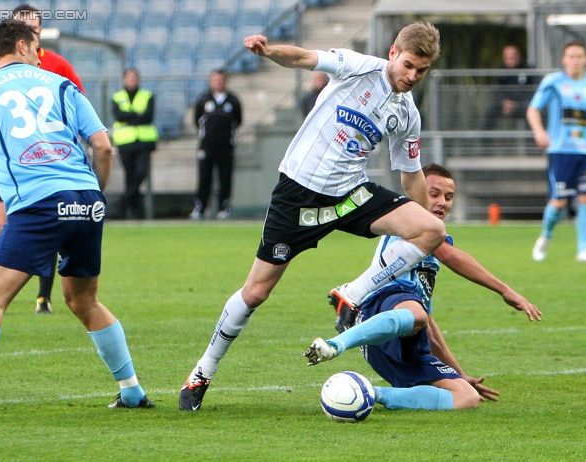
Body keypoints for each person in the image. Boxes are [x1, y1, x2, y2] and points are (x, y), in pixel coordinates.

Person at [179, 22, 448, 411]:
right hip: (298, 193)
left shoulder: (407, 113)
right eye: (408, 65)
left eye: (421, 71)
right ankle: (202, 372)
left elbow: (410, 174)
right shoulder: (358, 67)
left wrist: (426, 224)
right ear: (393, 52)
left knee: (431, 230)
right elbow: (304, 57)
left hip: (350, 195)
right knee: (255, 292)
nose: (412, 76)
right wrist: (269, 52)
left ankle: (351, 295)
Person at [0, 20, 154, 417]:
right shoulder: (60, 84)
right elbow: (103, 147)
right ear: (23, 46)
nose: (39, 52)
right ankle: (131, 391)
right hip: (85, 201)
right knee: (83, 300)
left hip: (37, 205)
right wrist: (92, 195)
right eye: (36, 45)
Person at [304, 164, 542, 411]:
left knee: (466, 397)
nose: (442, 202)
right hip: (380, 305)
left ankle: (369, 393)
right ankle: (336, 344)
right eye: (434, 193)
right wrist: (505, 290)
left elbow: (427, 324)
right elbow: (450, 256)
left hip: (396, 333)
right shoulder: (413, 224)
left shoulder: (426, 268)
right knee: (416, 313)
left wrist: (459, 374)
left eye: (449, 197)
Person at [0, 3, 87, 314]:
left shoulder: (58, 66)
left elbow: (80, 106)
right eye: (24, 29)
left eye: (34, 29)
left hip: (48, 165)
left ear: (40, 31)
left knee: (51, 224)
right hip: (8, 161)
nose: (30, 35)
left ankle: (43, 297)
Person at [528, 39, 586, 263]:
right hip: (561, 151)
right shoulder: (553, 82)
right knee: (560, 200)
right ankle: (545, 236)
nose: (575, 60)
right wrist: (539, 132)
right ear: (564, 60)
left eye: (579, 56)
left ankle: (584, 248)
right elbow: (534, 109)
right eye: (571, 56)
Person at [190, 69, 242, 220]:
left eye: (221, 79)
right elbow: (196, 120)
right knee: (204, 177)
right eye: (216, 80)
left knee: (225, 178)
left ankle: (224, 208)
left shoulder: (232, 100)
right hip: (207, 145)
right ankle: (200, 208)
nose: (219, 82)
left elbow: (238, 120)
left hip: (226, 146)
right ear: (211, 82)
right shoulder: (204, 99)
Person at [111, 68, 159, 219]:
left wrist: (129, 116)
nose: (131, 80)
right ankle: (136, 213)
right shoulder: (117, 97)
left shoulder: (147, 96)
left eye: (134, 78)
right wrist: (136, 114)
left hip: (144, 141)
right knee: (130, 176)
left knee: (140, 173)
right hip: (125, 141)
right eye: (129, 77)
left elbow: (148, 117)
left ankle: (123, 201)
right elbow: (119, 116)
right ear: (124, 79)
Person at [482, 44, 535, 131]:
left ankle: (533, 142)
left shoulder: (528, 69)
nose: (511, 58)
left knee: (533, 112)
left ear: (519, 55)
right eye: (508, 56)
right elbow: (496, 89)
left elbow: (534, 90)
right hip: (504, 105)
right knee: (490, 111)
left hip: (523, 105)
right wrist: (504, 102)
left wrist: (517, 104)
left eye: (513, 55)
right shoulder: (500, 70)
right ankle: (485, 142)